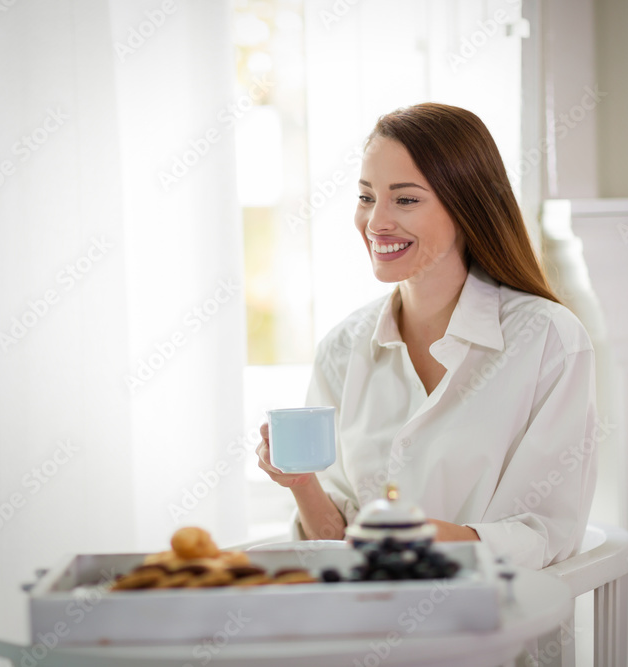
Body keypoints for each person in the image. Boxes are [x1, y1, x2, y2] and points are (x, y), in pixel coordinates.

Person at [255, 103, 597, 570]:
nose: (376, 223)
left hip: (493, 626)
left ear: (467, 205)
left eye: (406, 199)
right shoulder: (342, 349)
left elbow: (546, 531)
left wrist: (423, 537)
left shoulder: (548, 340)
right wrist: (302, 484)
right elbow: (338, 546)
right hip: (362, 626)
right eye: (366, 197)